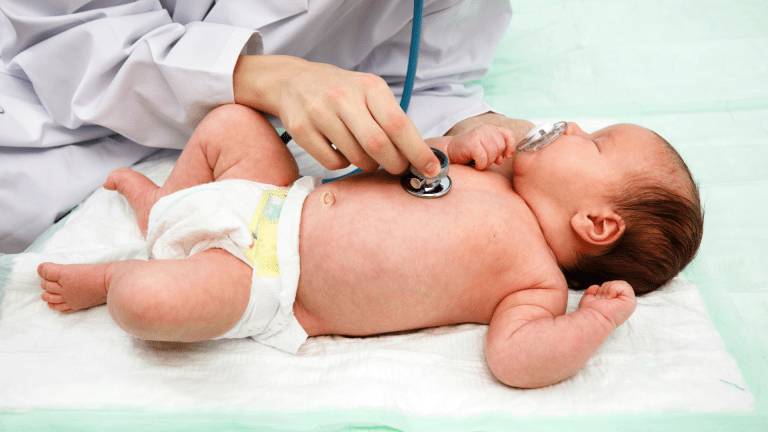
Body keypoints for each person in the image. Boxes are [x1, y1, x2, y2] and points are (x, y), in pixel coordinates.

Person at [37, 104, 704, 389]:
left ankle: (117, 276)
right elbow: (391, 164)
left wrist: (593, 319)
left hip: (268, 279)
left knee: (146, 305)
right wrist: (453, 144)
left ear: (597, 225)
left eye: (592, 143)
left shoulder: (533, 282)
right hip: (280, 195)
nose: (573, 128)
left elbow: (517, 360)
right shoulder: (483, 169)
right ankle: (168, 215)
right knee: (231, 122)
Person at [0, 0, 516, 253]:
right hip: (37, 105)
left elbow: (423, 79)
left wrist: (477, 124)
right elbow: (62, 30)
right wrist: (266, 78)